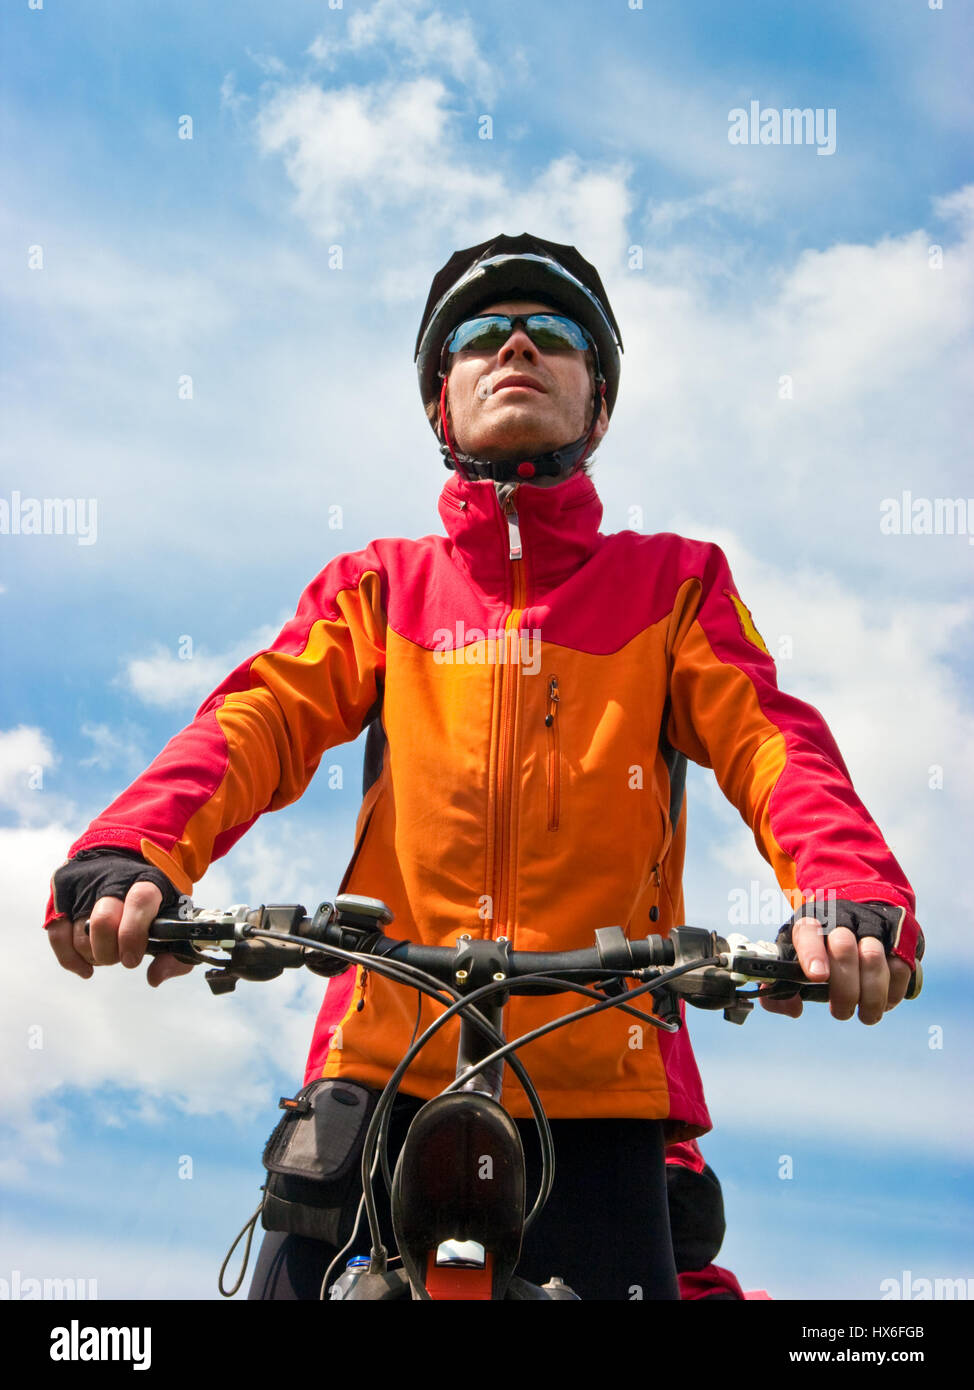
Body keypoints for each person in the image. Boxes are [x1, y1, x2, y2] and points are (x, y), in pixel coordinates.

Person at [44, 233, 923, 1300]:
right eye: (478, 335)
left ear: (597, 406)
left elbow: (771, 744)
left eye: (552, 334)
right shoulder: (377, 586)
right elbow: (258, 720)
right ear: (438, 403)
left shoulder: (672, 584)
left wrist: (844, 896)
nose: (515, 346)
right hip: (377, 1072)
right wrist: (131, 847)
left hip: (598, 1089)